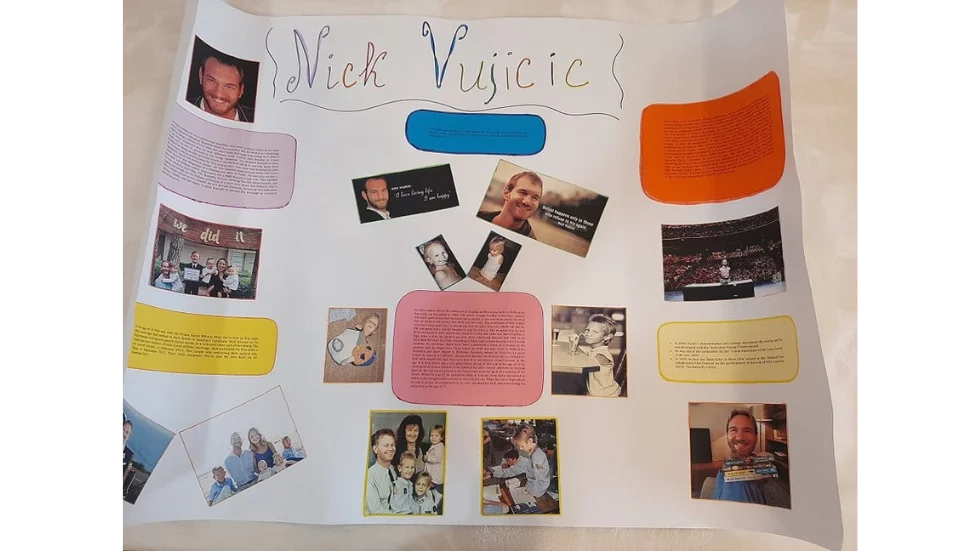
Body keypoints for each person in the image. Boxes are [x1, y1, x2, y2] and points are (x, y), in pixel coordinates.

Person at [712, 408, 778, 505]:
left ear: (756, 437)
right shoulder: (727, 472)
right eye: (733, 430)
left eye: (747, 431)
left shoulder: (764, 466)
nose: (740, 437)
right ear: (727, 435)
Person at [485, 424, 551, 498]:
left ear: (530, 441)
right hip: (530, 482)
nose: (520, 448)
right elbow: (511, 454)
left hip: (537, 490)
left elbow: (541, 482)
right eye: (518, 446)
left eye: (521, 446)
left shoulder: (537, 459)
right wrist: (504, 462)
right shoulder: (529, 448)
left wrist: (532, 493)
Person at [568, 314, 623, 397]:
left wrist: (574, 347)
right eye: (587, 330)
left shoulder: (600, 355)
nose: (588, 334)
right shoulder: (596, 351)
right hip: (598, 392)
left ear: (607, 336)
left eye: (595, 332)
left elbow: (582, 363)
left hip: (606, 395)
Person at [477, 171, 543, 239]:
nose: (527, 202)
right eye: (523, 193)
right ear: (507, 193)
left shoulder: (530, 242)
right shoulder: (479, 217)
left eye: (535, 198)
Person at [193, 51, 253, 122]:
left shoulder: (256, 119)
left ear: (241, 90)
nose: (218, 94)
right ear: (201, 76)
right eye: (212, 81)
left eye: (229, 87)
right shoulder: (183, 108)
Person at [366, 429, 397, 514]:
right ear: (375, 449)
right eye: (386, 445)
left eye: (393, 445)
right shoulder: (370, 476)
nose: (391, 449)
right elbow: (376, 510)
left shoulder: (395, 471)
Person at [423, 424, 445, 495]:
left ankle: (435, 494)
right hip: (431, 471)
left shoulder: (440, 446)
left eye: (436, 436)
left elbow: (437, 458)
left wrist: (427, 458)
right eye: (432, 435)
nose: (433, 438)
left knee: (430, 485)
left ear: (441, 437)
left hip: (435, 473)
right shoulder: (433, 445)